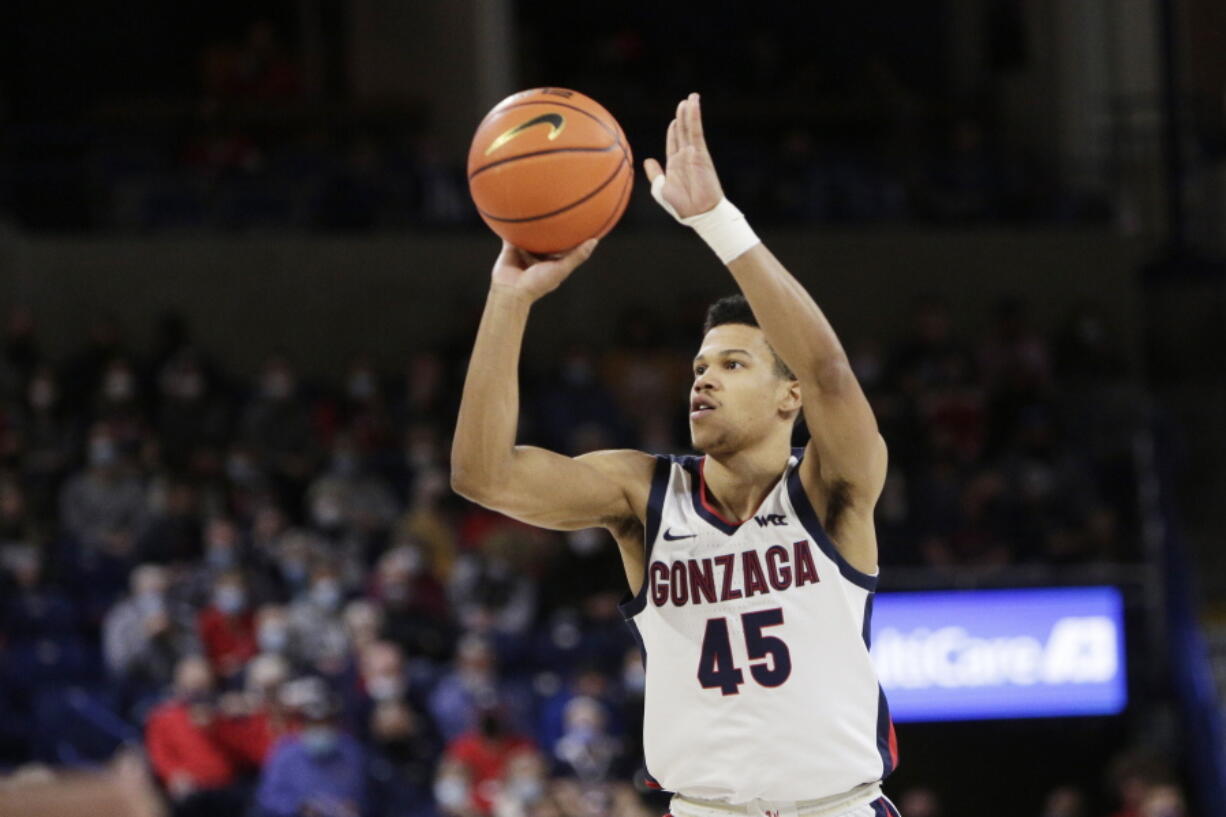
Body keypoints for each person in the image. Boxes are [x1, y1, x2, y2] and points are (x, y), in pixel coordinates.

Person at [452, 93, 899, 817]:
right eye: (699, 366)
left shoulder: (830, 488)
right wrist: (509, 297)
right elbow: (482, 473)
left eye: (733, 365)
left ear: (790, 397)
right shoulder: (644, 493)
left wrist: (716, 223)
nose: (704, 377)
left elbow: (831, 374)